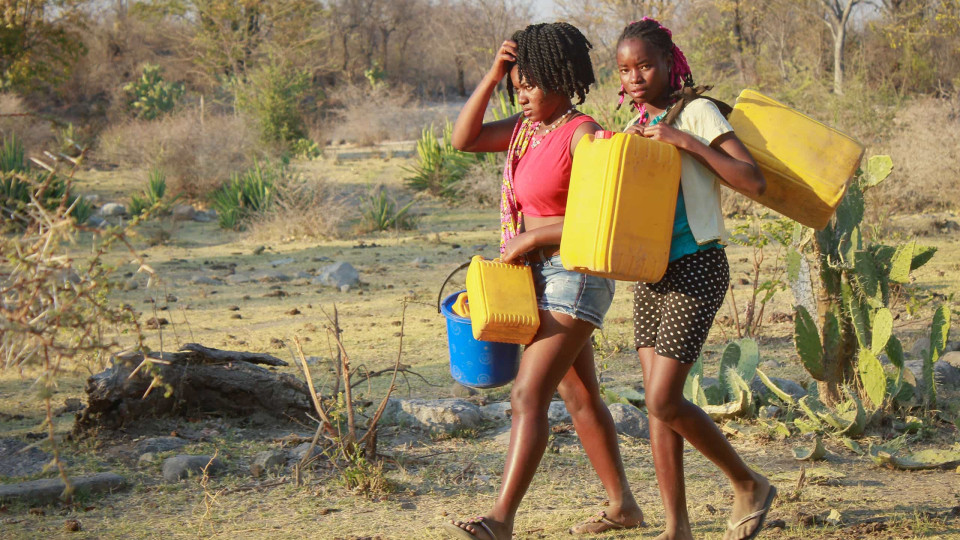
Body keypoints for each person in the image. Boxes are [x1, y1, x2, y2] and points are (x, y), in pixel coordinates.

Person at [444, 22, 644, 540]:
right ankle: (622, 506)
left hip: (574, 274)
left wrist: (533, 239)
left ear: (562, 78)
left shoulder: (583, 133)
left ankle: (500, 521)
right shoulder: (524, 129)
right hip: (535, 277)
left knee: (528, 395)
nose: (522, 93)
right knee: (579, 397)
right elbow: (463, 139)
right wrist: (492, 75)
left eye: (531, 83)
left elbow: (602, 214)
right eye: (518, 83)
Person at [615, 17, 776, 540]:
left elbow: (752, 179)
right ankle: (676, 528)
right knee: (657, 403)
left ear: (669, 63)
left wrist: (685, 140)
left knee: (664, 399)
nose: (635, 76)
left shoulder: (699, 112)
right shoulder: (639, 120)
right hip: (650, 271)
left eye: (644, 65)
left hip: (697, 264)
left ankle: (748, 482)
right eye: (624, 69)